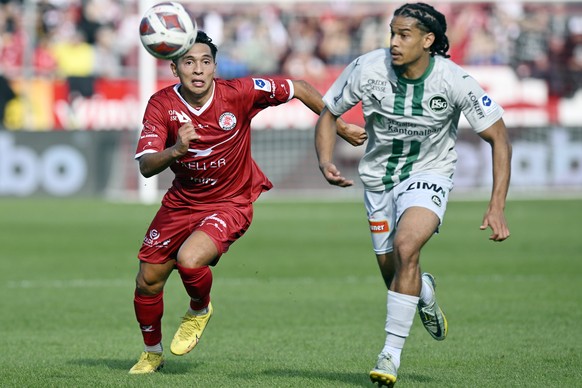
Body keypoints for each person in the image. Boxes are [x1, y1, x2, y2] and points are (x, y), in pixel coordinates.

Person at [129, 30, 366, 374]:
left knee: (190, 261)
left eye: (205, 62)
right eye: (189, 62)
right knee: (147, 280)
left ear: (215, 68)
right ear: (174, 68)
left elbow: (298, 86)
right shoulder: (162, 105)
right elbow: (146, 166)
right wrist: (176, 150)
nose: (198, 70)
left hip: (231, 201)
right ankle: (152, 353)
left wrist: (340, 126)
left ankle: (199, 309)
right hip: (181, 202)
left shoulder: (239, 93)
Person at [314, 3, 512, 387]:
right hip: (378, 182)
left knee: (408, 247)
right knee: (394, 273)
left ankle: (390, 354)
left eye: (404, 35)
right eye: (392, 33)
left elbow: (499, 137)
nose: (394, 42)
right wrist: (325, 162)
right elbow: (328, 113)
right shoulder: (366, 69)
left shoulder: (454, 80)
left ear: (428, 40)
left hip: (430, 174)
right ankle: (423, 290)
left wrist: (497, 205)